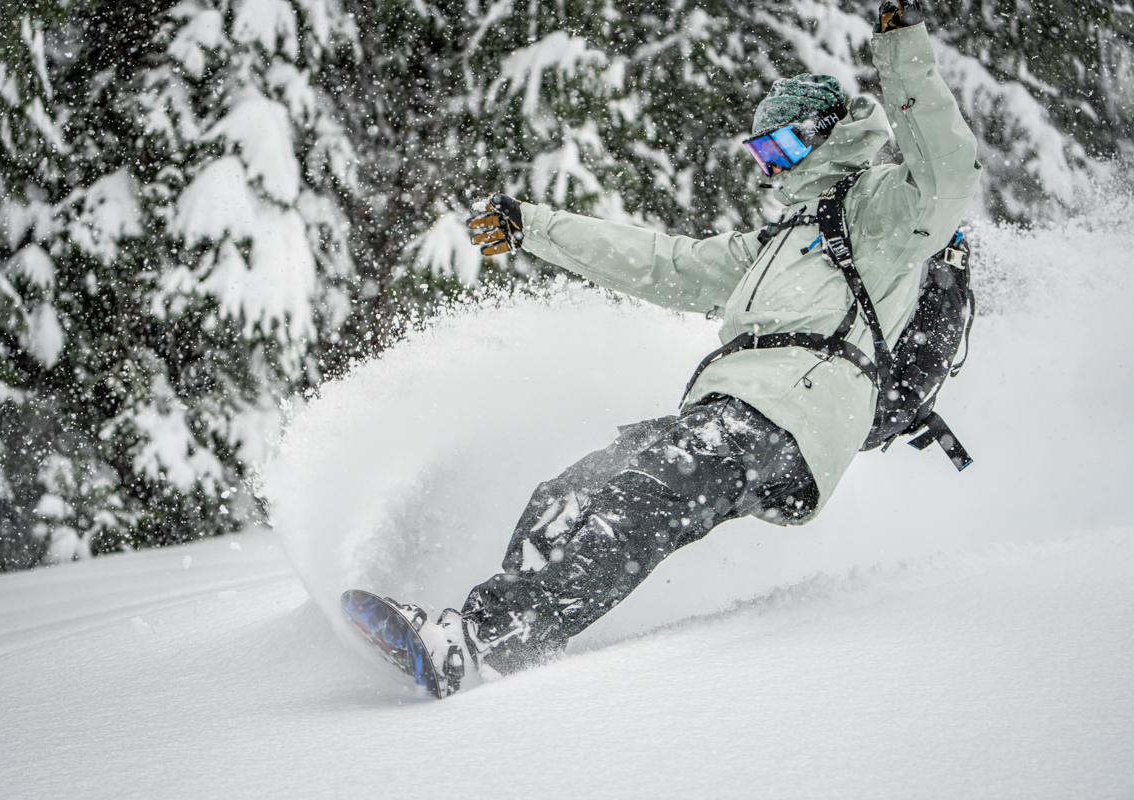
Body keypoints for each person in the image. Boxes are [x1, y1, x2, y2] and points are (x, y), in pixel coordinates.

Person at [398, 0, 981, 696]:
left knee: (640, 499)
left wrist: (903, 50)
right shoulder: (777, 243)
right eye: (761, 155)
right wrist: (536, 226)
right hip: (732, 410)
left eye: (784, 150)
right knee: (568, 494)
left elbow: (947, 172)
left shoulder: (881, 211)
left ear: (830, 135)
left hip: (793, 410)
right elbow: (659, 262)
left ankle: (490, 638)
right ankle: (476, 631)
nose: (771, 169)